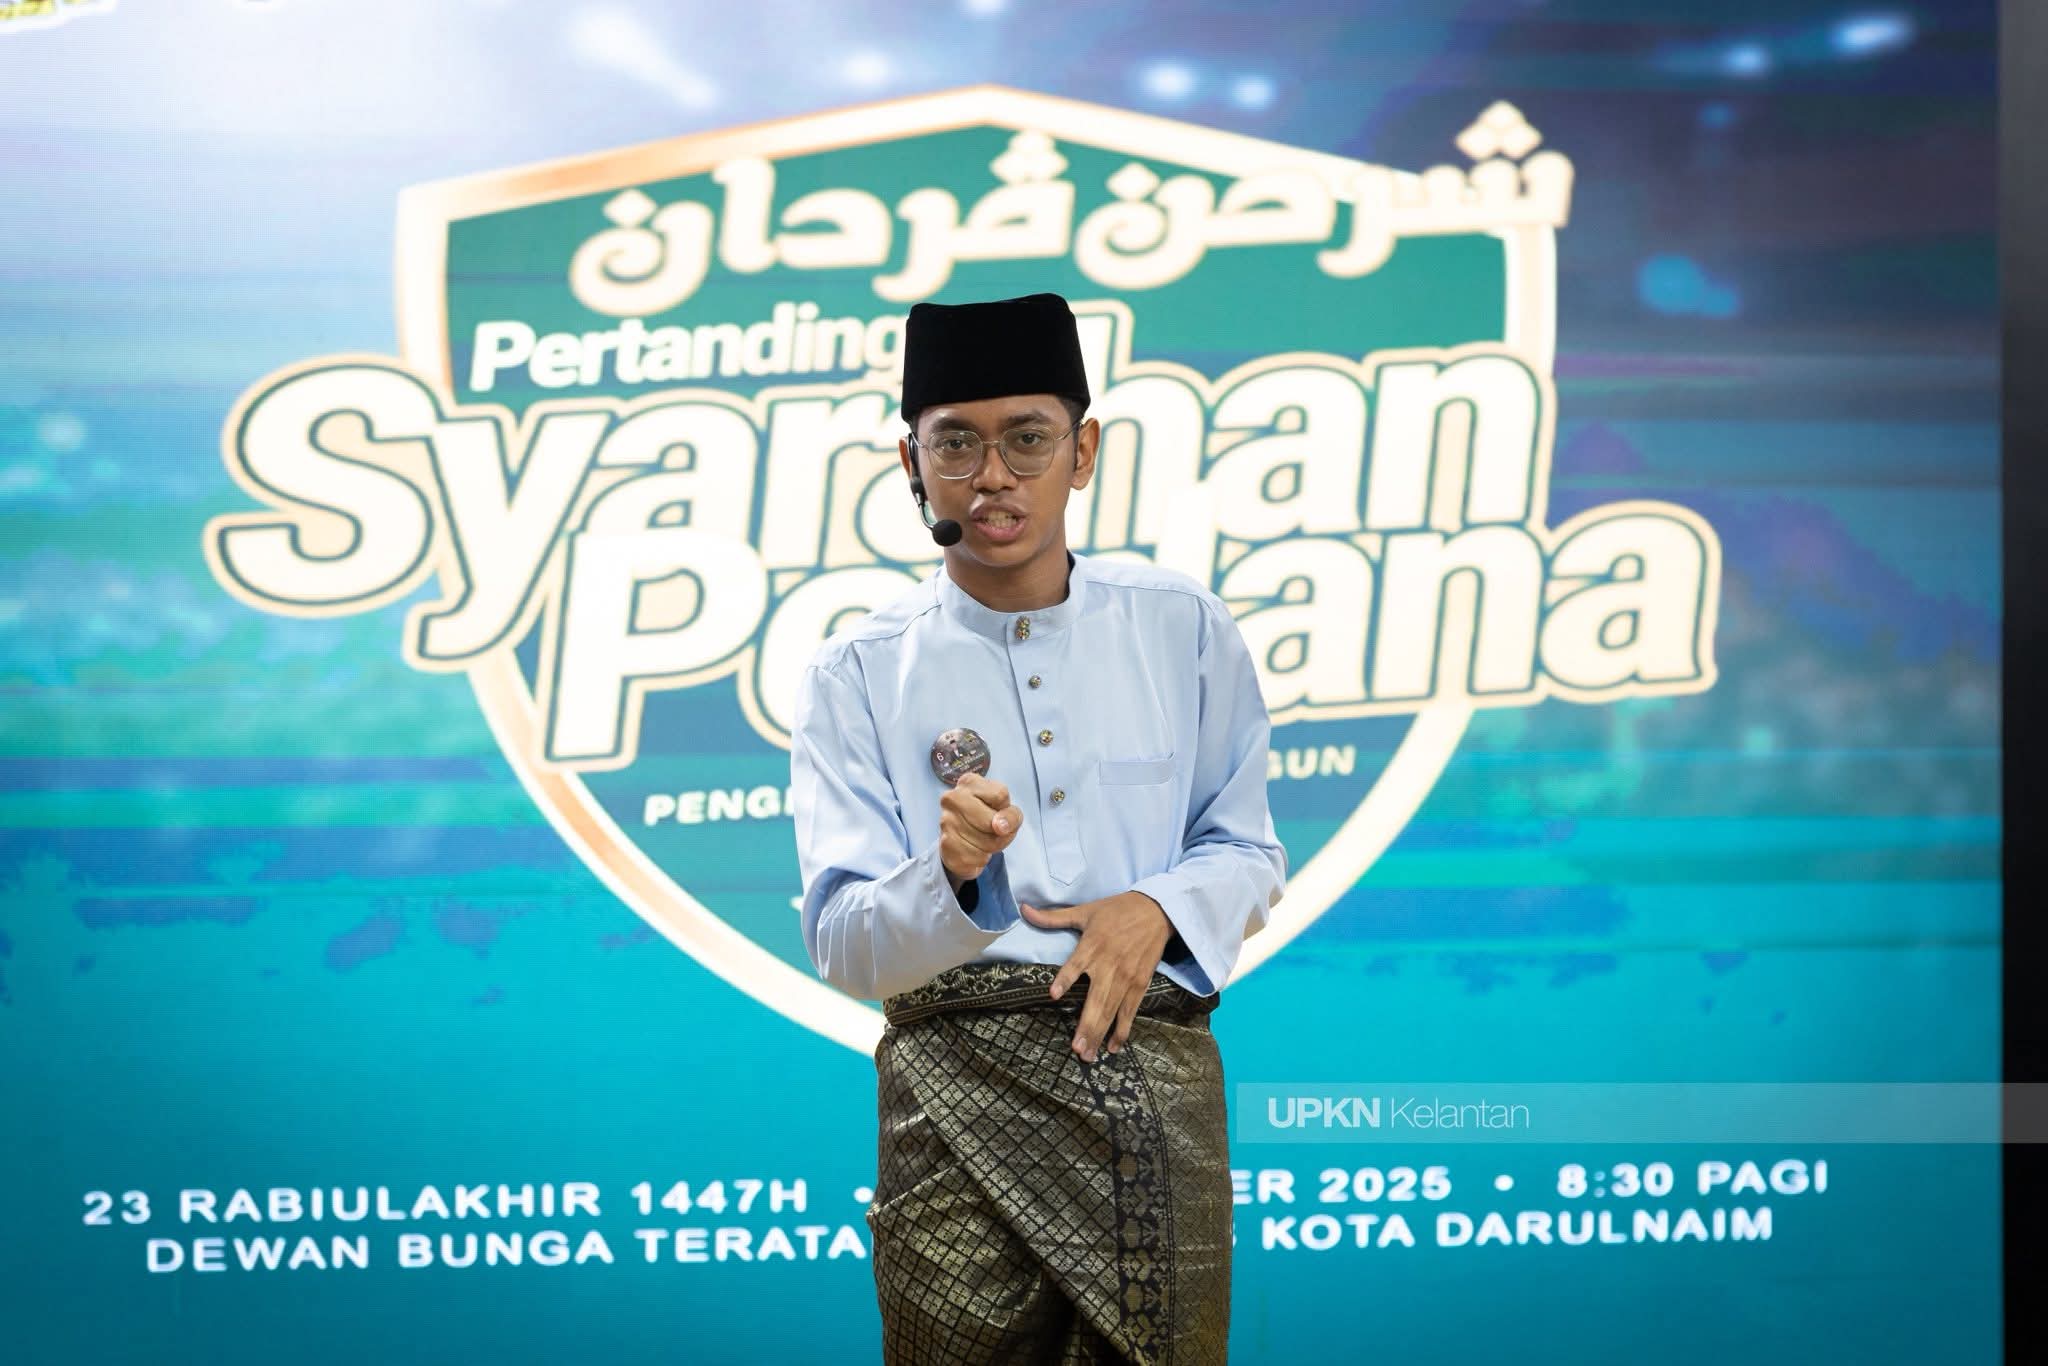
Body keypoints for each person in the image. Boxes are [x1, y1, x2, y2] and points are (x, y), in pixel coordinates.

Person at [788, 291, 1287, 1364]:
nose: (992, 475)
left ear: (1083, 451)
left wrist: (1155, 908)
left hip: (1146, 1083)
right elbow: (842, 945)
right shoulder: (859, 671)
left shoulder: (1181, 625)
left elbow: (1246, 850)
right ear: (911, 463)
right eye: (954, 444)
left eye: (1026, 439)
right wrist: (953, 874)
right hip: (951, 1111)